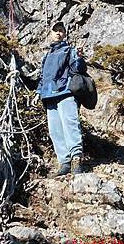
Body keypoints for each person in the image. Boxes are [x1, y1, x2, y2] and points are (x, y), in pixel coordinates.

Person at [36, 21, 86, 176]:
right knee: (55, 130)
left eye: (61, 31)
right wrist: (38, 93)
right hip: (49, 96)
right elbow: (43, 77)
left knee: (70, 125)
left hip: (65, 92)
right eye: (55, 30)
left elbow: (78, 69)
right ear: (51, 33)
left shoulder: (69, 50)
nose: (58, 33)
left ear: (65, 34)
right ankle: (64, 162)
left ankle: (76, 159)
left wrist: (79, 58)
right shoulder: (47, 55)